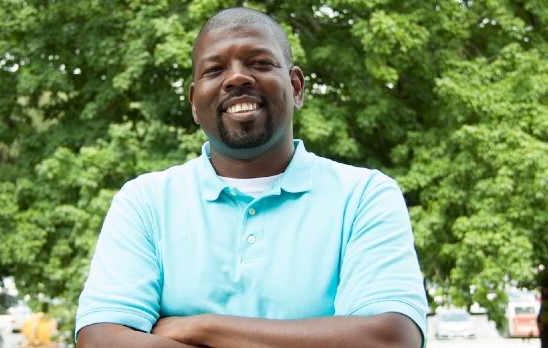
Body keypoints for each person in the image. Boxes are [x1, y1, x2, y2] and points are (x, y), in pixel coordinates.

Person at [75, 7, 428, 348]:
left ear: (296, 87)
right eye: (214, 70)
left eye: (259, 63)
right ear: (195, 103)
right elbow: (100, 340)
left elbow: (391, 338)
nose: (237, 78)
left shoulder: (364, 196)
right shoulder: (145, 202)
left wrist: (200, 326)